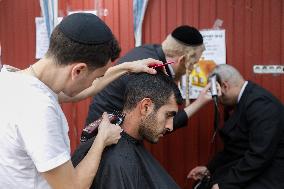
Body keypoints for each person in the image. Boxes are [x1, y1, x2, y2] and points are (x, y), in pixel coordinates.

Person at [0, 13, 163, 189]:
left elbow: (85, 90)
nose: (95, 82)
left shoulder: (12, 79)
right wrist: (102, 139)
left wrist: (127, 67)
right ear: (78, 71)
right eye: (96, 76)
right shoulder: (39, 110)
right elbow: (72, 187)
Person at [69, 25, 211, 130]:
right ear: (182, 60)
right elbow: (162, 125)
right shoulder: (152, 73)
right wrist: (200, 102)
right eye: (194, 63)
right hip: (104, 134)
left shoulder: (150, 51)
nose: (193, 68)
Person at [72, 71, 182, 189]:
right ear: (146, 107)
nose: (170, 126)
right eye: (168, 115)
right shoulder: (114, 160)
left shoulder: (129, 147)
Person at [188, 64, 284, 189]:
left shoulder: (261, 104)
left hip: (271, 172)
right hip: (253, 165)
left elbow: (259, 155)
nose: (217, 99)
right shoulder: (244, 100)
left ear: (224, 86)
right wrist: (209, 168)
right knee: (203, 184)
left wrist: (224, 185)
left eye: (216, 92)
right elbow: (235, 147)